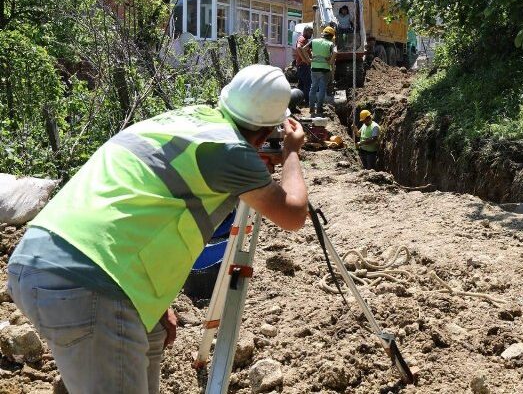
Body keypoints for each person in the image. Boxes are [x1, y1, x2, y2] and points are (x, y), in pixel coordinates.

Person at [5, 64, 308, 394]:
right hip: (88, 284)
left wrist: (155, 304)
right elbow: (293, 215)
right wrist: (292, 153)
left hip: (39, 258)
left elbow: (137, 204)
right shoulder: (232, 150)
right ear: (265, 134)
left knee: (150, 338)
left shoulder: (186, 120)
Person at [303, 26, 337, 117]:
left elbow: (303, 49)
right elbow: (335, 52)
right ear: (331, 36)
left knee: (313, 87)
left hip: (314, 68)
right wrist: (330, 62)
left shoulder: (314, 41)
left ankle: (311, 108)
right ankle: (319, 108)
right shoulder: (330, 44)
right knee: (322, 89)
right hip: (325, 69)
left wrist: (309, 59)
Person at [294, 26, 314, 104]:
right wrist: (305, 60)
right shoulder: (302, 39)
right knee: (307, 83)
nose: (311, 35)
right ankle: (307, 102)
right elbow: (299, 48)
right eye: (310, 33)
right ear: (305, 31)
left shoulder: (305, 39)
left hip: (301, 65)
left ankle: (299, 101)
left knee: (302, 84)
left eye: (312, 33)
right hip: (303, 65)